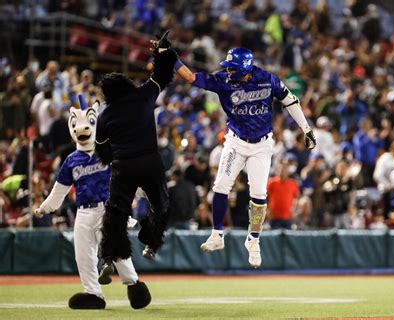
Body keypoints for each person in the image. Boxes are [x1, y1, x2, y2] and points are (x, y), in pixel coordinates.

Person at [171, 45, 316, 267]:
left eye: (232, 68)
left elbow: (290, 101)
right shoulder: (223, 80)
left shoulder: (267, 79)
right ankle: (217, 234)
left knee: (258, 194)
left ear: (245, 68)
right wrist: (172, 60)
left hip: (262, 145)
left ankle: (253, 240)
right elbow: (191, 78)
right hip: (236, 141)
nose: (228, 71)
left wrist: (306, 129)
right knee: (220, 186)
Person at [34, 97, 150, 309]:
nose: (81, 129)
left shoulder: (107, 150)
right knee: (83, 255)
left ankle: (134, 285)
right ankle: (93, 293)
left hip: (108, 209)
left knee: (117, 251)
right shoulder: (71, 160)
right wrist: (45, 207)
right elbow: (59, 189)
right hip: (83, 212)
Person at [95, 32, 177, 275]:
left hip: (123, 166)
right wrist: (162, 52)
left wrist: (115, 159)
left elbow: (101, 149)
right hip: (150, 161)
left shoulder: (105, 115)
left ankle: (109, 257)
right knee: (160, 204)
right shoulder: (143, 95)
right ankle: (151, 240)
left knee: (116, 212)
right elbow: (162, 75)